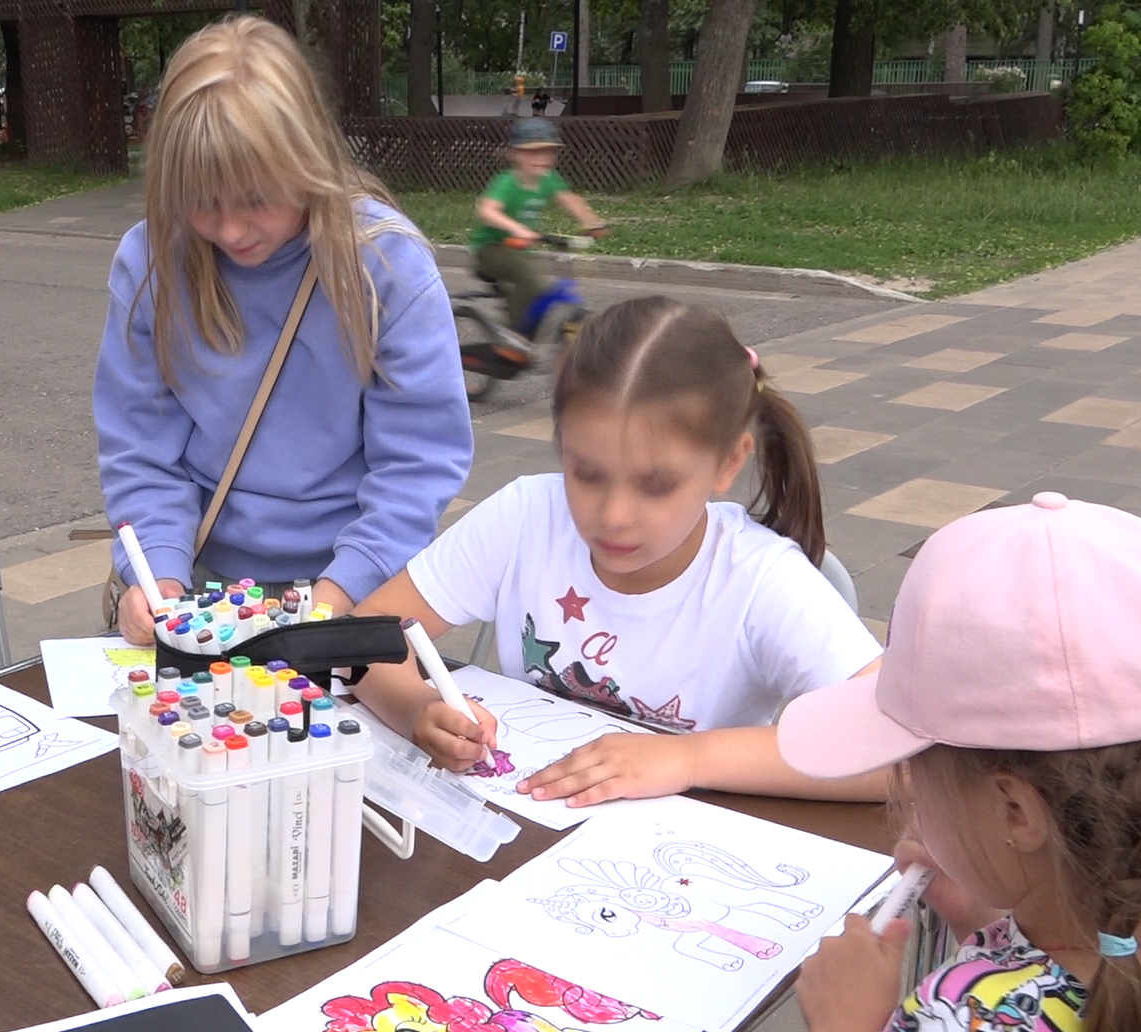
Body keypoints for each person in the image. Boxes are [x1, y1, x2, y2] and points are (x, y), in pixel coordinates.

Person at [784, 495, 1141, 1032]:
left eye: (917, 772)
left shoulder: (955, 1028)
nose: (913, 804)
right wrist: (974, 917)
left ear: (1015, 812)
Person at [351, 295, 885, 807]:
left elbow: (904, 757)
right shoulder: (525, 517)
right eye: (585, 473)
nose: (612, 516)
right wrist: (416, 707)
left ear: (728, 463)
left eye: (655, 484)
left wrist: (688, 758)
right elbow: (361, 635)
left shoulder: (760, 581)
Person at [95, 16, 473, 647]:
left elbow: (416, 466)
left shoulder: (386, 267)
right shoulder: (152, 262)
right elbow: (139, 449)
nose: (232, 229)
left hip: (356, 582)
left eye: (255, 198)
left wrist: (333, 600)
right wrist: (157, 575)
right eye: (203, 201)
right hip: (201, 580)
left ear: (307, 160)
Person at [468, 117, 608, 336]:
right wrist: (518, 229)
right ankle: (514, 337)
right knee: (532, 282)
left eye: (548, 152)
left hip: (518, 250)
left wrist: (592, 222)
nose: (542, 158)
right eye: (533, 152)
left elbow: (569, 199)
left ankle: (529, 328)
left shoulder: (549, 179)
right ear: (515, 154)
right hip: (491, 249)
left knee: (536, 285)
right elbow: (487, 210)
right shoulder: (507, 182)